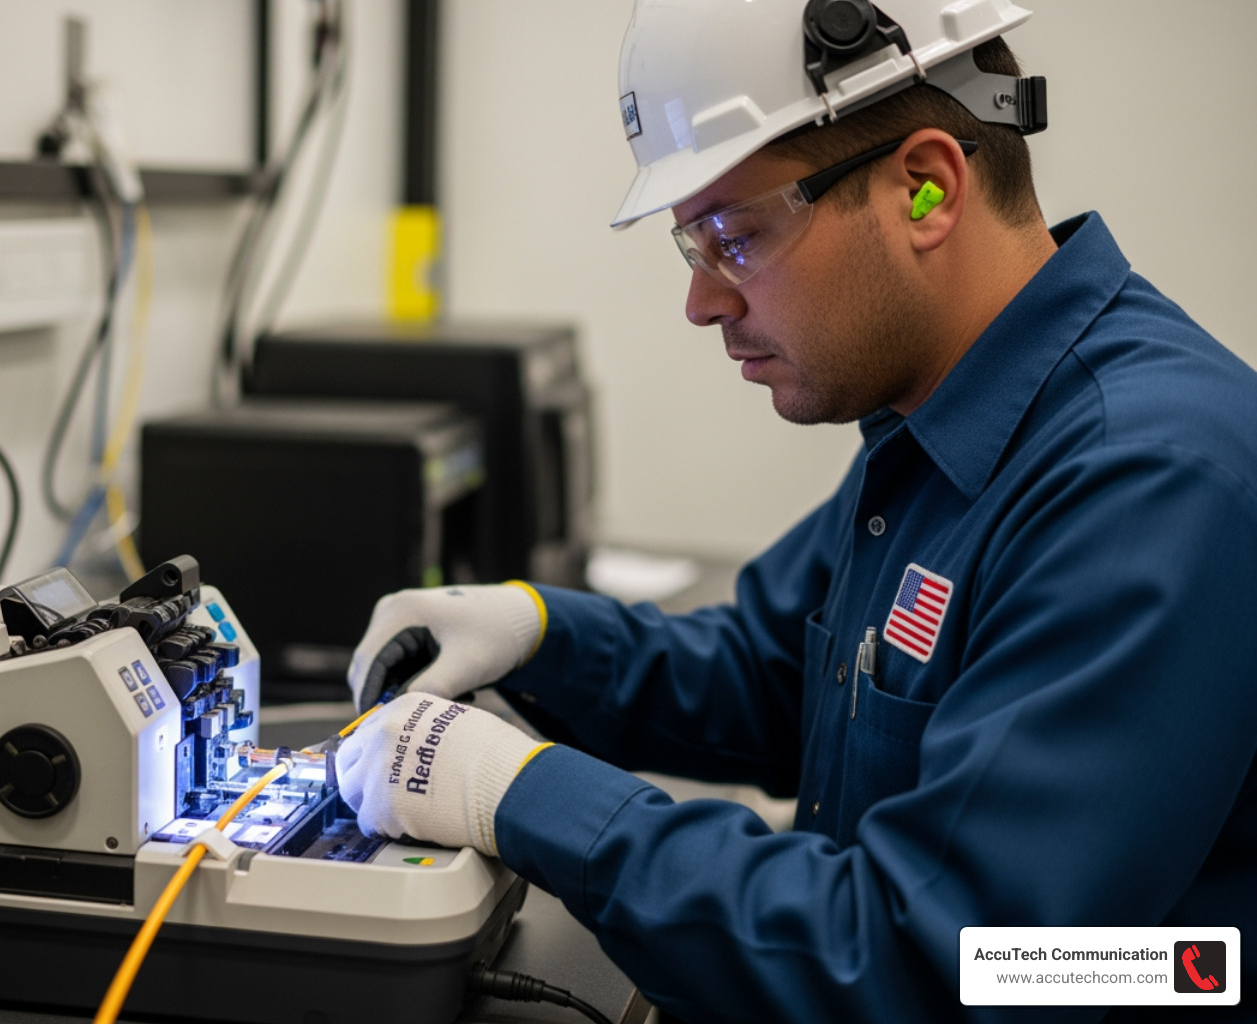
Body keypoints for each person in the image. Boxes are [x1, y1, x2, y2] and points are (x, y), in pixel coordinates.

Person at [335, 1, 1257, 1020]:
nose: (703, 303)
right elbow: (779, 675)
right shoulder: (940, 421)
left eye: (734, 236)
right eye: (693, 248)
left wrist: (522, 795)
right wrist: (539, 634)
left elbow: (945, 962)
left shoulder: (1145, 483)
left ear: (925, 190)